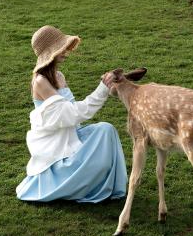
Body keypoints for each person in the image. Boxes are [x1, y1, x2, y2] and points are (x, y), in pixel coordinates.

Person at [16, 25, 128, 203]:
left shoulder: (58, 76)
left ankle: (99, 185)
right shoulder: (40, 81)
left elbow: (72, 110)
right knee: (103, 132)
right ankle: (71, 183)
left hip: (70, 132)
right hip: (55, 142)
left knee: (106, 130)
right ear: (50, 52)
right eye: (61, 47)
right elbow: (72, 114)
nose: (65, 52)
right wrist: (102, 89)